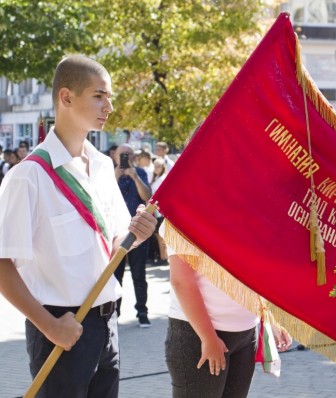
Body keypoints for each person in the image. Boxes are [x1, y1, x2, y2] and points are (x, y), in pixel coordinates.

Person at [0, 54, 156, 397]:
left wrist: (137, 233)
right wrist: (50, 327)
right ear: (66, 97)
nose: (109, 106)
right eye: (99, 95)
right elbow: (3, 265)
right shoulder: (28, 176)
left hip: (108, 323)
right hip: (59, 326)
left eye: (110, 96)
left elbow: (115, 242)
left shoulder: (102, 166)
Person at [162, 223, 292, 397]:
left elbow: (253, 270)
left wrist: (270, 317)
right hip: (199, 336)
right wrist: (208, 337)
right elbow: (181, 281)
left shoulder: (247, 210)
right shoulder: (184, 210)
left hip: (245, 334)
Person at [113, 143, 153, 327]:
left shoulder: (140, 172)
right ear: (115, 156)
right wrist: (116, 175)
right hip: (116, 232)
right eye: (122, 154)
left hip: (138, 232)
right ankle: (115, 313)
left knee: (139, 274)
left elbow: (147, 196)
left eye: (129, 154)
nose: (126, 158)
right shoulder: (108, 174)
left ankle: (142, 312)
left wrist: (135, 177)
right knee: (116, 274)